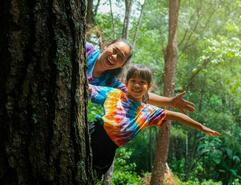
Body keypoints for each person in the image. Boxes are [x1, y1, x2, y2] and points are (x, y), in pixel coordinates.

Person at [88, 65, 221, 177]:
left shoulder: (148, 112)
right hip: (93, 134)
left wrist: (201, 127)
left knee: (90, 178)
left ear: (149, 86)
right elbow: (88, 88)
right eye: (133, 80)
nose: (136, 85)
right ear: (126, 82)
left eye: (142, 82)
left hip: (108, 150)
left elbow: (178, 116)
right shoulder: (114, 94)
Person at [86, 39, 195, 112]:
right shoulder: (86, 50)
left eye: (120, 57)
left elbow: (137, 93)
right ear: (105, 46)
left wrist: (170, 101)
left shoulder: (110, 82)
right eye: (114, 50)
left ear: (122, 65)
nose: (114, 57)